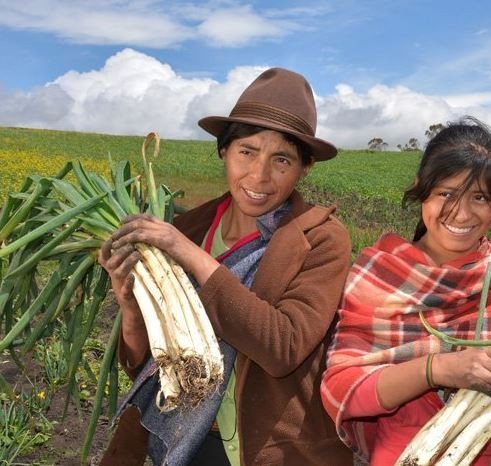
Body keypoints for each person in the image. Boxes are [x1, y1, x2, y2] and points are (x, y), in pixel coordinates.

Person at [98, 68, 353, 466]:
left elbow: (283, 347)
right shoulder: (192, 227)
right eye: (247, 152)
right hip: (181, 439)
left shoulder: (320, 239)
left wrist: (188, 253)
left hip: (268, 452)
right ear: (223, 151)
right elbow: (148, 364)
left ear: (305, 168)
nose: (259, 175)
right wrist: (131, 306)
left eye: (281, 160)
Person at [321, 117, 491, 465]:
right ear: (421, 190)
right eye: (446, 193)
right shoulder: (382, 274)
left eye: (479, 197)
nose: (461, 213)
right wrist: (436, 370)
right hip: (405, 454)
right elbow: (342, 389)